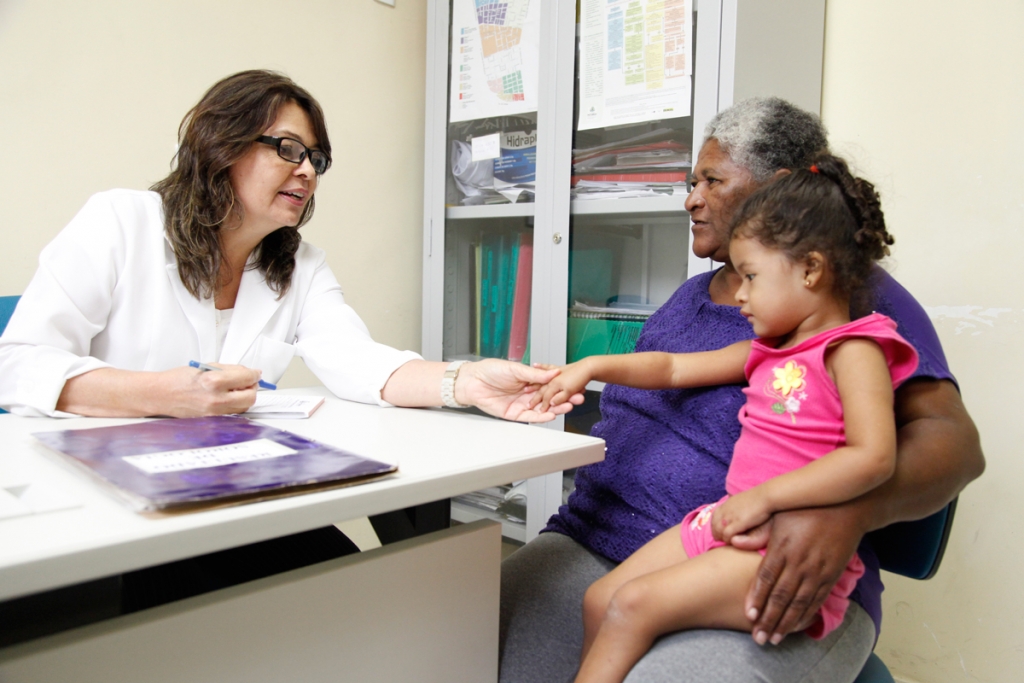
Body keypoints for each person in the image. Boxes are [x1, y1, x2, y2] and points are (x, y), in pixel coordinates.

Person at [0, 70, 577, 621]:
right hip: (113, 511)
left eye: (316, 159)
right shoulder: (120, 222)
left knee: (362, 597)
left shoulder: (300, 263)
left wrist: (464, 382)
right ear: (220, 145)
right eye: (287, 148)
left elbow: (357, 360)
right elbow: (17, 362)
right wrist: (161, 395)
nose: (307, 172)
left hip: (235, 499)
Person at [499, 98, 984, 683]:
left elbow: (952, 443)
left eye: (712, 180)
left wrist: (845, 514)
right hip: (608, 539)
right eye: (691, 183)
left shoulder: (851, 307)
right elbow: (668, 371)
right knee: (451, 625)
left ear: (775, 190)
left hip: (765, 562)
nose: (691, 199)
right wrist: (588, 366)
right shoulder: (699, 298)